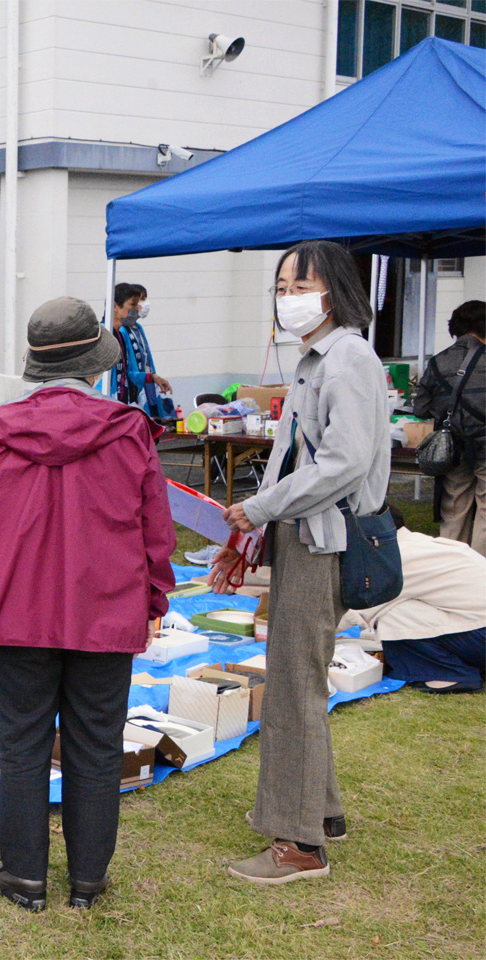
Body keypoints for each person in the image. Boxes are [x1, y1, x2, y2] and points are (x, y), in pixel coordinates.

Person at [0, 296, 176, 912]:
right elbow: (154, 525)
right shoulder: (129, 428)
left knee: (24, 743)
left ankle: (25, 873)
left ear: (36, 364)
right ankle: (88, 880)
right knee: (97, 745)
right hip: (107, 608)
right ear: (95, 365)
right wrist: (156, 594)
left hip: (18, 609)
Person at [212, 240, 389, 885]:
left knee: (292, 690)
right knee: (296, 676)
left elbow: (343, 463)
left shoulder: (346, 361)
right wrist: (257, 523)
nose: (288, 298)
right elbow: (297, 455)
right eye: (282, 287)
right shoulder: (319, 360)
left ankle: (297, 843)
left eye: (300, 285)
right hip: (305, 534)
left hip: (325, 541)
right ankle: (323, 814)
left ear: (334, 289)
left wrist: (259, 510)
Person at [341, 505, 486, 693]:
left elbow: (359, 610)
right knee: (401, 608)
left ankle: (449, 674)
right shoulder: (420, 543)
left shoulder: (392, 559)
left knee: (392, 615)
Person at [412, 300, 485, 555]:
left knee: (454, 509)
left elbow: (420, 409)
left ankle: (452, 567)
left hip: (452, 449)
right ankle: (480, 578)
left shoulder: (437, 362)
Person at [110, 282, 173, 418]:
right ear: (115, 306)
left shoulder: (129, 331)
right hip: (112, 406)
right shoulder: (107, 335)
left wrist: (152, 377)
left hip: (127, 398)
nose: (138, 308)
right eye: (134, 304)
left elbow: (128, 372)